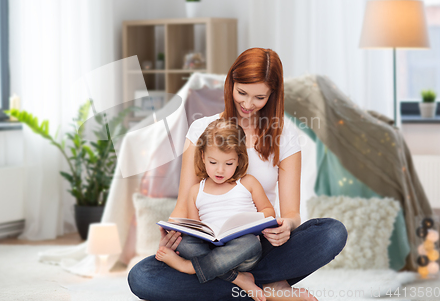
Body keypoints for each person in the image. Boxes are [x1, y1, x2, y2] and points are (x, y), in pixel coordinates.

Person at [128, 48, 348, 301]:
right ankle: (265, 289)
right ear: (230, 83)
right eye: (241, 92)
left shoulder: (284, 135)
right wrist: (171, 236)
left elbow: (291, 214)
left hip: (258, 244)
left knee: (332, 232)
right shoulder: (201, 129)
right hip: (207, 247)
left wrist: (286, 226)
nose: (247, 104)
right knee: (142, 276)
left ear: (273, 95)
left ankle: (235, 284)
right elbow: (183, 206)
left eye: (259, 97)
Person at [156, 119, 275, 301]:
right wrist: (174, 231)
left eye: (228, 164)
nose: (220, 170)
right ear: (203, 157)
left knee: (251, 243)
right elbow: (195, 229)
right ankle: (237, 278)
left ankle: (188, 267)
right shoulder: (196, 191)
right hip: (211, 250)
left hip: (243, 252)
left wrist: (252, 220)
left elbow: (268, 211)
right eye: (213, 162)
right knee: (184, 244)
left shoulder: (248, 183)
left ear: (239, 160)